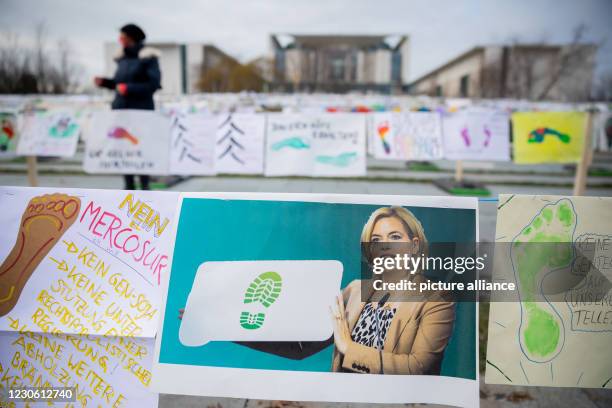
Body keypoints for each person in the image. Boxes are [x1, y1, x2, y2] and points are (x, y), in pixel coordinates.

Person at [330, 206, 455, 375]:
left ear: (414, 246)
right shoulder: (354, 289)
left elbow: (418, 367)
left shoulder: (437, 298)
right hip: (343, 398)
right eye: (376, 240)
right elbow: (311, 338)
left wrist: (348, 347)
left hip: (395, 399)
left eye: (395, 237)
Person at [94, 23, 161, 190]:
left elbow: (154, 84)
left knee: (141, 147)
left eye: (123, 36)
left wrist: (129, 89)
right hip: (121, 111)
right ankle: (128, 187)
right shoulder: (122, 59)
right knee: (124, 148)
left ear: (131, 38)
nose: (120, 39)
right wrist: (105, 83)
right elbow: (118, 84)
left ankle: (145, 187)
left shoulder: (148, 58)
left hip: (141, 111)